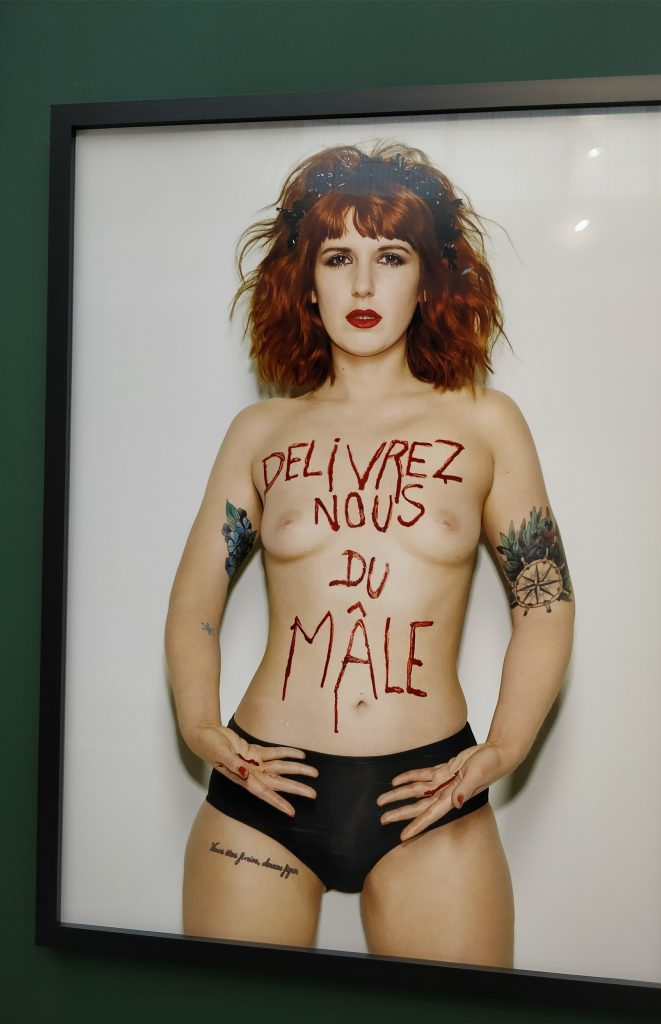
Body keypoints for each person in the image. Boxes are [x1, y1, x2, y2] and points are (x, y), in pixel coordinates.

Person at [165, 141, 573, 968]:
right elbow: (196, 603)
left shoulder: (484, 422)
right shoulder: (260, 433)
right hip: (263, 798)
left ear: (427, 280)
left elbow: (544, 601)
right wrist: (200, 725)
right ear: (305, 282)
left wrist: (503, 748)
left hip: (431, 792)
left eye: (389, 256)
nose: (361, 284)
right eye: (336, 257)